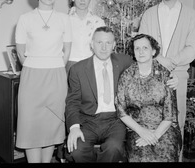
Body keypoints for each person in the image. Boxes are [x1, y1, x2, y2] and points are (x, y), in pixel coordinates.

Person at [65, 26, 179, 162]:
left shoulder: (123, 61)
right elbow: (73, 102)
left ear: (114, 45)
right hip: (88, 120)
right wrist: (74, 128)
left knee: (114, 148)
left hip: (115, 120)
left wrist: (173, 76)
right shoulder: (78, 69)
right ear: (92, 44)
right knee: (77, 150)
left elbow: (146, 59)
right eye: (99, 42)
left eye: (108, 43)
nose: (103, 47)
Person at [138, 0, 195, 161]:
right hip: (152, 73)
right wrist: (157, 60)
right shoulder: (149, 14)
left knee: (176, 122)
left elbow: (192, 48)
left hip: (178, 75)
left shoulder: (190, 14)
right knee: (151, 121)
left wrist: (170, 61)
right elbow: (142, 44)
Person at [15, 0, 72, 163]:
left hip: (56, 77)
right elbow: (22, 54)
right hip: (32, 78)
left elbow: (66, 52)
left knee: (51, 126)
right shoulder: (25, 19)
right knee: (31, 126)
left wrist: (53, 66)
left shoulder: (64, 19)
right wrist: (37, 65)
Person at [57, 0, 105, 162]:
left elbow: (102, 47)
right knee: (69, 105)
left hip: (92, 67)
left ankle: (84, 145)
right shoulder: (64, 19)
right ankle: (64, 150)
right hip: (69, 66)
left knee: (88, 105)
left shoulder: (98, 21)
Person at [115, 33, 182, 162]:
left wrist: (155, 135)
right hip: (137, 128)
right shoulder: (126, 76)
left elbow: (170, 114)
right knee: (141, 156)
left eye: (145, 48)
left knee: (166, 153)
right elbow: (121, 110)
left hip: (164, 128)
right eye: (137, 48)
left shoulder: (165, 75)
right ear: (133, 52)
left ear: (153, 51)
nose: (141, 52)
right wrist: (142, 132)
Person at [66, 0, 105, 76]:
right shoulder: (65, 20)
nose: (82, 0)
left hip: (91, 65)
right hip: (70, 64)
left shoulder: (98, 22)